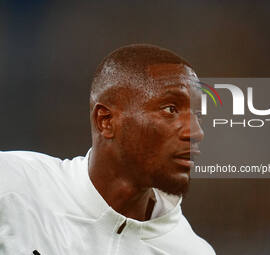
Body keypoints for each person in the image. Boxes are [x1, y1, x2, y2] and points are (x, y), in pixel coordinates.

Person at [0, 44, 215, 254]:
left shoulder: (192, 250)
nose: (196, 132)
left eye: (198, 115)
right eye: (171, 109)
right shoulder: (13, 186)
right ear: (106, 121)